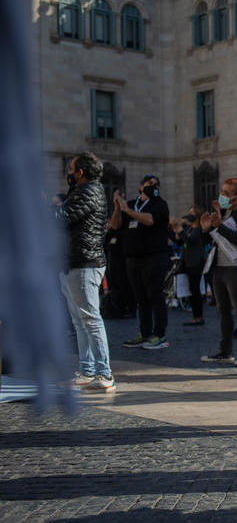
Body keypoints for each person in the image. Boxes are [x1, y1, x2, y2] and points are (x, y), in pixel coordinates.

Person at [56, 152, 114, 391]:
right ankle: (88, 371)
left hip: (84, 263)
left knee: (90, 319)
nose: (69, 173)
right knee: (79, 321)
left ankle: (104, 373)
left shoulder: (89, 191)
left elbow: (62, 217)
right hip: (73, 262)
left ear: (80, 172)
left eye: (71, 169)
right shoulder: (83, 191)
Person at [109, 174, 171, 350]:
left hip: (154, 257)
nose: (153, 186)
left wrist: (127, 210)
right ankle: (144, 333)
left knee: (155, 296)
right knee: (141, 298)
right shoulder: (130, 203)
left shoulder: (159, 204)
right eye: (149, 183)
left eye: (156, 184)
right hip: (133, 258)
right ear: (141, 186)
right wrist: (117, 209)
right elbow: (115, 226)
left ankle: (159, 334)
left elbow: (149, 220)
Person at [199, 178, 237, 366]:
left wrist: (218, 226)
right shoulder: (225, 211)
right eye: (221, 191)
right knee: (222, 310)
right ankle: (225, 350)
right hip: (219, 266)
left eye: (226, 193)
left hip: (236, 266)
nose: (221, 196)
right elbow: (213, 238)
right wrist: (206, 228)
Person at [178, 206, 209, 326]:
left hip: (196, 263)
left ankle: (198, 316)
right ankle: (195, 316)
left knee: (195, 290)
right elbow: (183, 241)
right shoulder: (190, 228)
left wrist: (180, 231)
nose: (189, 215)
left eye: (192, 213)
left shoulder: (198, 229)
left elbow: (190, 240)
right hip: (189, 262)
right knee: (192, 289)